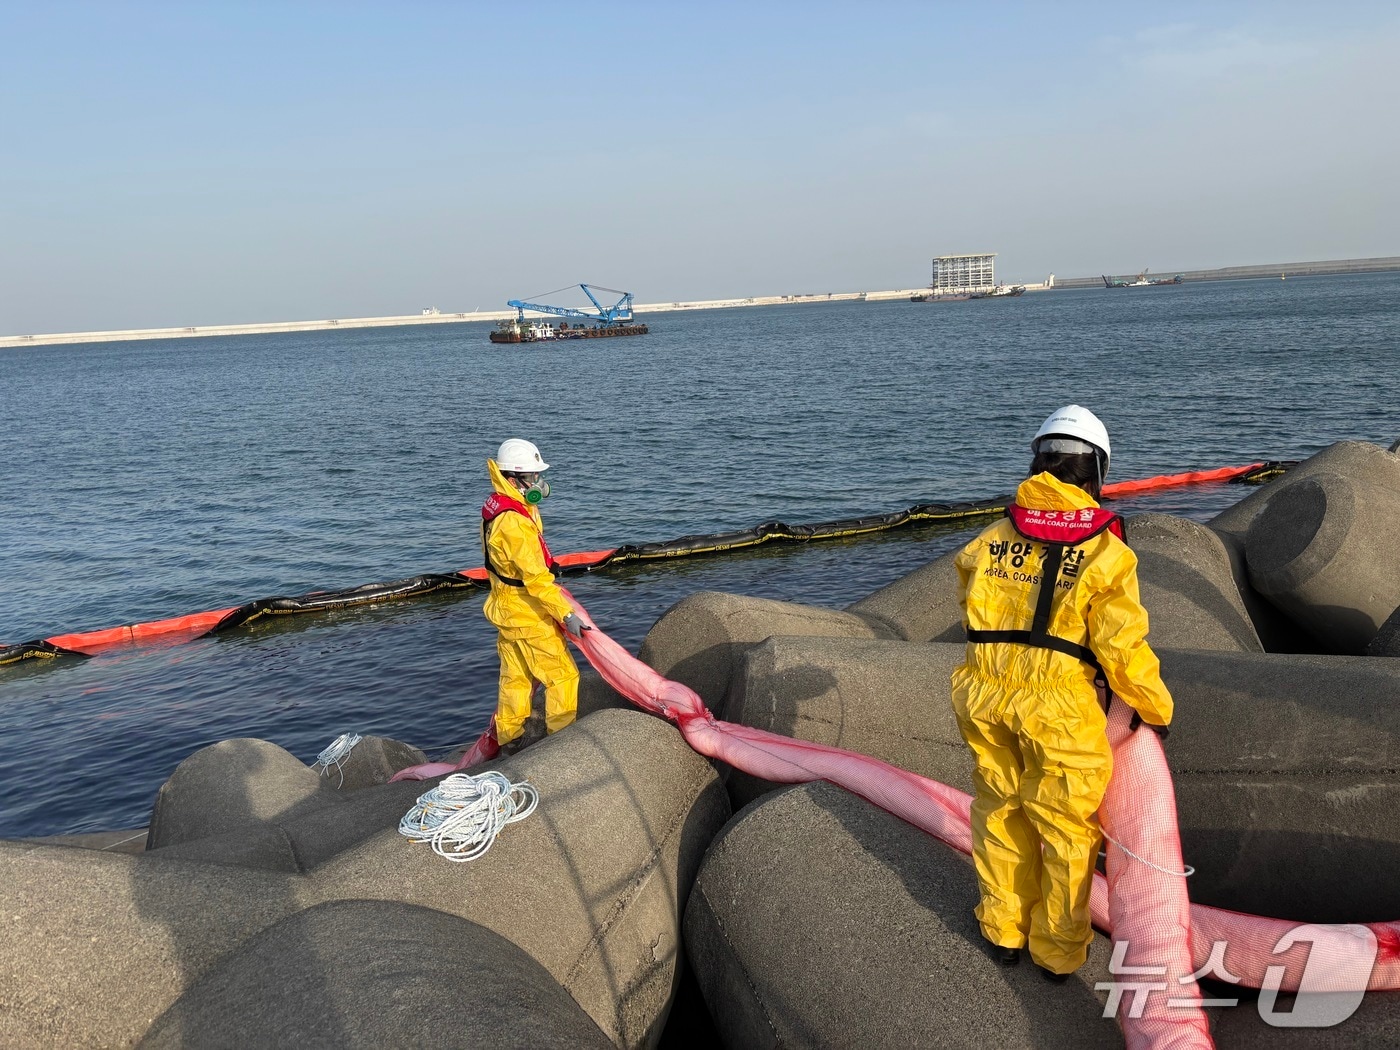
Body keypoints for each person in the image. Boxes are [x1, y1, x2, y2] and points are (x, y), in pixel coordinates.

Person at [950, 405, 1173, 981]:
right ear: (1097, 471)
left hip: (981, 690)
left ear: (1038, 460)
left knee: (999, 809)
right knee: (1066, 829)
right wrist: (1154, 707)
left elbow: (969, 600)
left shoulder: (993, 536)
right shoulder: (1106, 552)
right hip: (1059, 705)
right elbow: (1122, 645)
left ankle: (1002, 929)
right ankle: (1056, 953)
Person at [481, 438, 589, 751]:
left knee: (516, 679)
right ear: (514, 479)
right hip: (528, 614)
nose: (539, 483)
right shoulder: (514, 522)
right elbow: (537, 579)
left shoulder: (499, 505)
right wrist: (566, 614)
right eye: (533, 477)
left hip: (506, 608)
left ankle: (510, 739)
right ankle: (561, 745)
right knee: (563, 676)